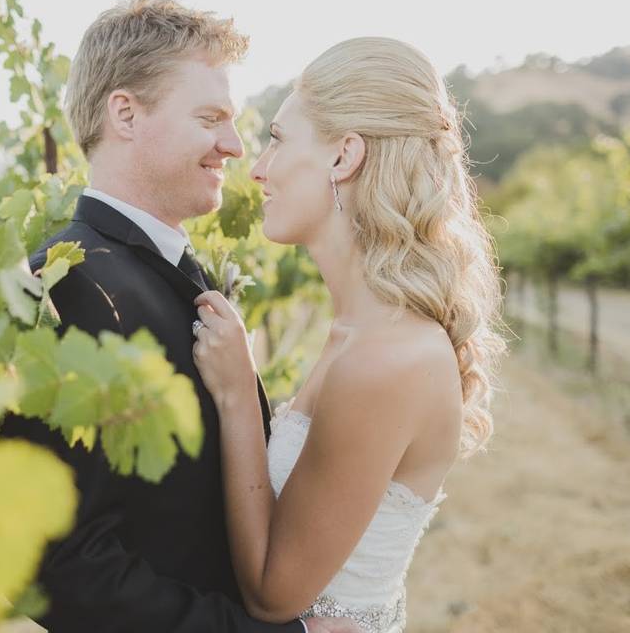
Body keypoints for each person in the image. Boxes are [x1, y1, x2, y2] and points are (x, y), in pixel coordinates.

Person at [0, 0, 364, 632]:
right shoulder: (65, 287)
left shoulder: (161, 268)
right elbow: (59, 562)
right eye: (209, 117)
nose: (234, 144)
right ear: (125, 114)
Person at [189, 37, 508, 633]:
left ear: (343, 157)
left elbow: (272, 595)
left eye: (278, 139)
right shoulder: (358, 331)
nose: (257, 167)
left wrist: (238, 395)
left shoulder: (387, 358)